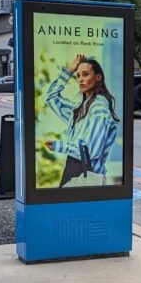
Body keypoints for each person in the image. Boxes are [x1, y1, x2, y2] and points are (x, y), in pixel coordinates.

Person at [42, 54, 120, 187]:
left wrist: (59, 146)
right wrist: (70, 70)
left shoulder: (99, 109)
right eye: (78, 76)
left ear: (98, 77)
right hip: (74, 170)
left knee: (75, 207)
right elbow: (51, 98)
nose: (80, 80)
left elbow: (90, 151)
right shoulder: (81, 109)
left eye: (85, 74)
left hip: (88, 174)